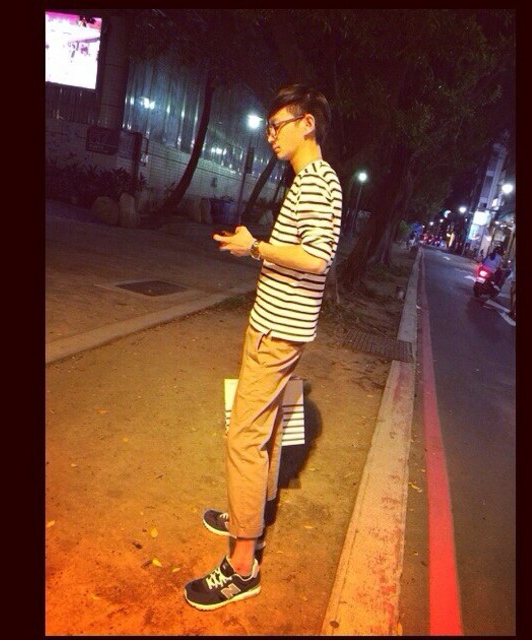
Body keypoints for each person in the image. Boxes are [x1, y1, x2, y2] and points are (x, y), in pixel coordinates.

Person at [183, 84, 343, 611]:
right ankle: (247, 513)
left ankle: (242, 565)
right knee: (264, 429)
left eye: (279, 125)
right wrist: (258, 250)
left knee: (244, 437)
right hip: (279, 325)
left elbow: (316, 258)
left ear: (307, 124)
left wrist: (254, 246)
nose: (271, 135)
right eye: (269, 127)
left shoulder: (316, 181)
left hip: (277, 331)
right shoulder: (313, 180)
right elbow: (307, 253)